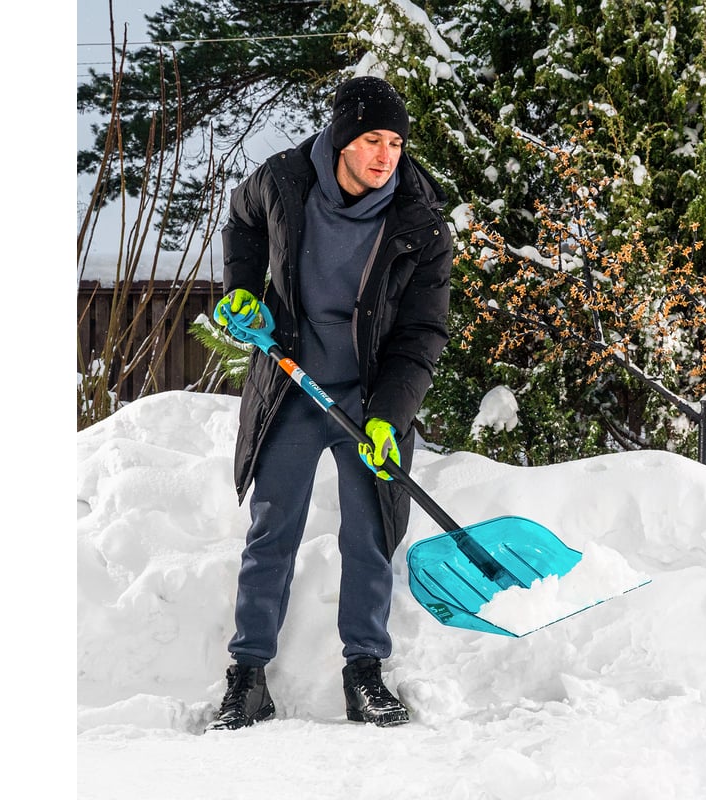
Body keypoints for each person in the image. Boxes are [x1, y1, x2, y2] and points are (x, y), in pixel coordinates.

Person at [206, 76, 453, 730]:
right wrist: (241, 288)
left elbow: (422, 331)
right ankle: (248, 675)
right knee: (272, 528)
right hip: (291, 381)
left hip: (372, 396)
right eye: (372, 139)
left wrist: (389, 417)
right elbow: (242, 217)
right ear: (341, 139)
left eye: (396, 142)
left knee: (370, 534)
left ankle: (365, 672)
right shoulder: (285, 181)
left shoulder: (421, 219)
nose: (385, 155)